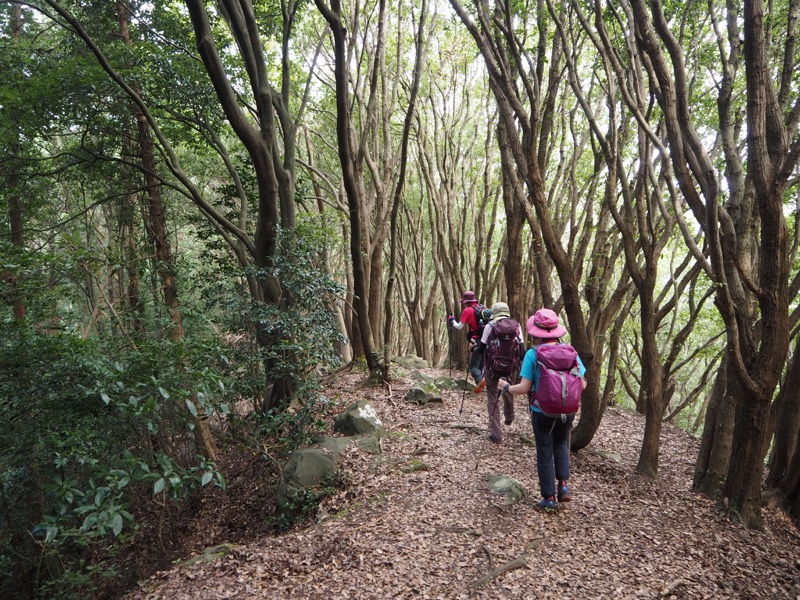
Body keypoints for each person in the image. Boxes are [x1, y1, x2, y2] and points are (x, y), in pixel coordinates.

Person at [499, 308, 587, 510]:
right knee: (561, 443)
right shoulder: (571, 352)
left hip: (542, 411)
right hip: (568, 410)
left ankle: (549, 498)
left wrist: (506, 388)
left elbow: (524, 388)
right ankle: (563, 486)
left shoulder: (533, 354)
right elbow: (582, 384)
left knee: (545, 449)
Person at [475, 302, 523, 443]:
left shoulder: (490, 327)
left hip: (492, 368)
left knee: (492, 398)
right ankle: (509, 416)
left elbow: (481, 348)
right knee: (508, 389)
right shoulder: (517, 326)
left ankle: (496, 434)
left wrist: (474, 349)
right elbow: (522, 349)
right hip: (511, 367)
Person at [447, 291, 484, 386]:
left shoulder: (467, 311)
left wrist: (452, 321)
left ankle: (481, 383)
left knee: (473, 367)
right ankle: (483, 384)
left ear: (466, 302)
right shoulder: (484, 308)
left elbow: (459, 327)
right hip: (487, 339)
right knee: (482, 364)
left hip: (476, 340)